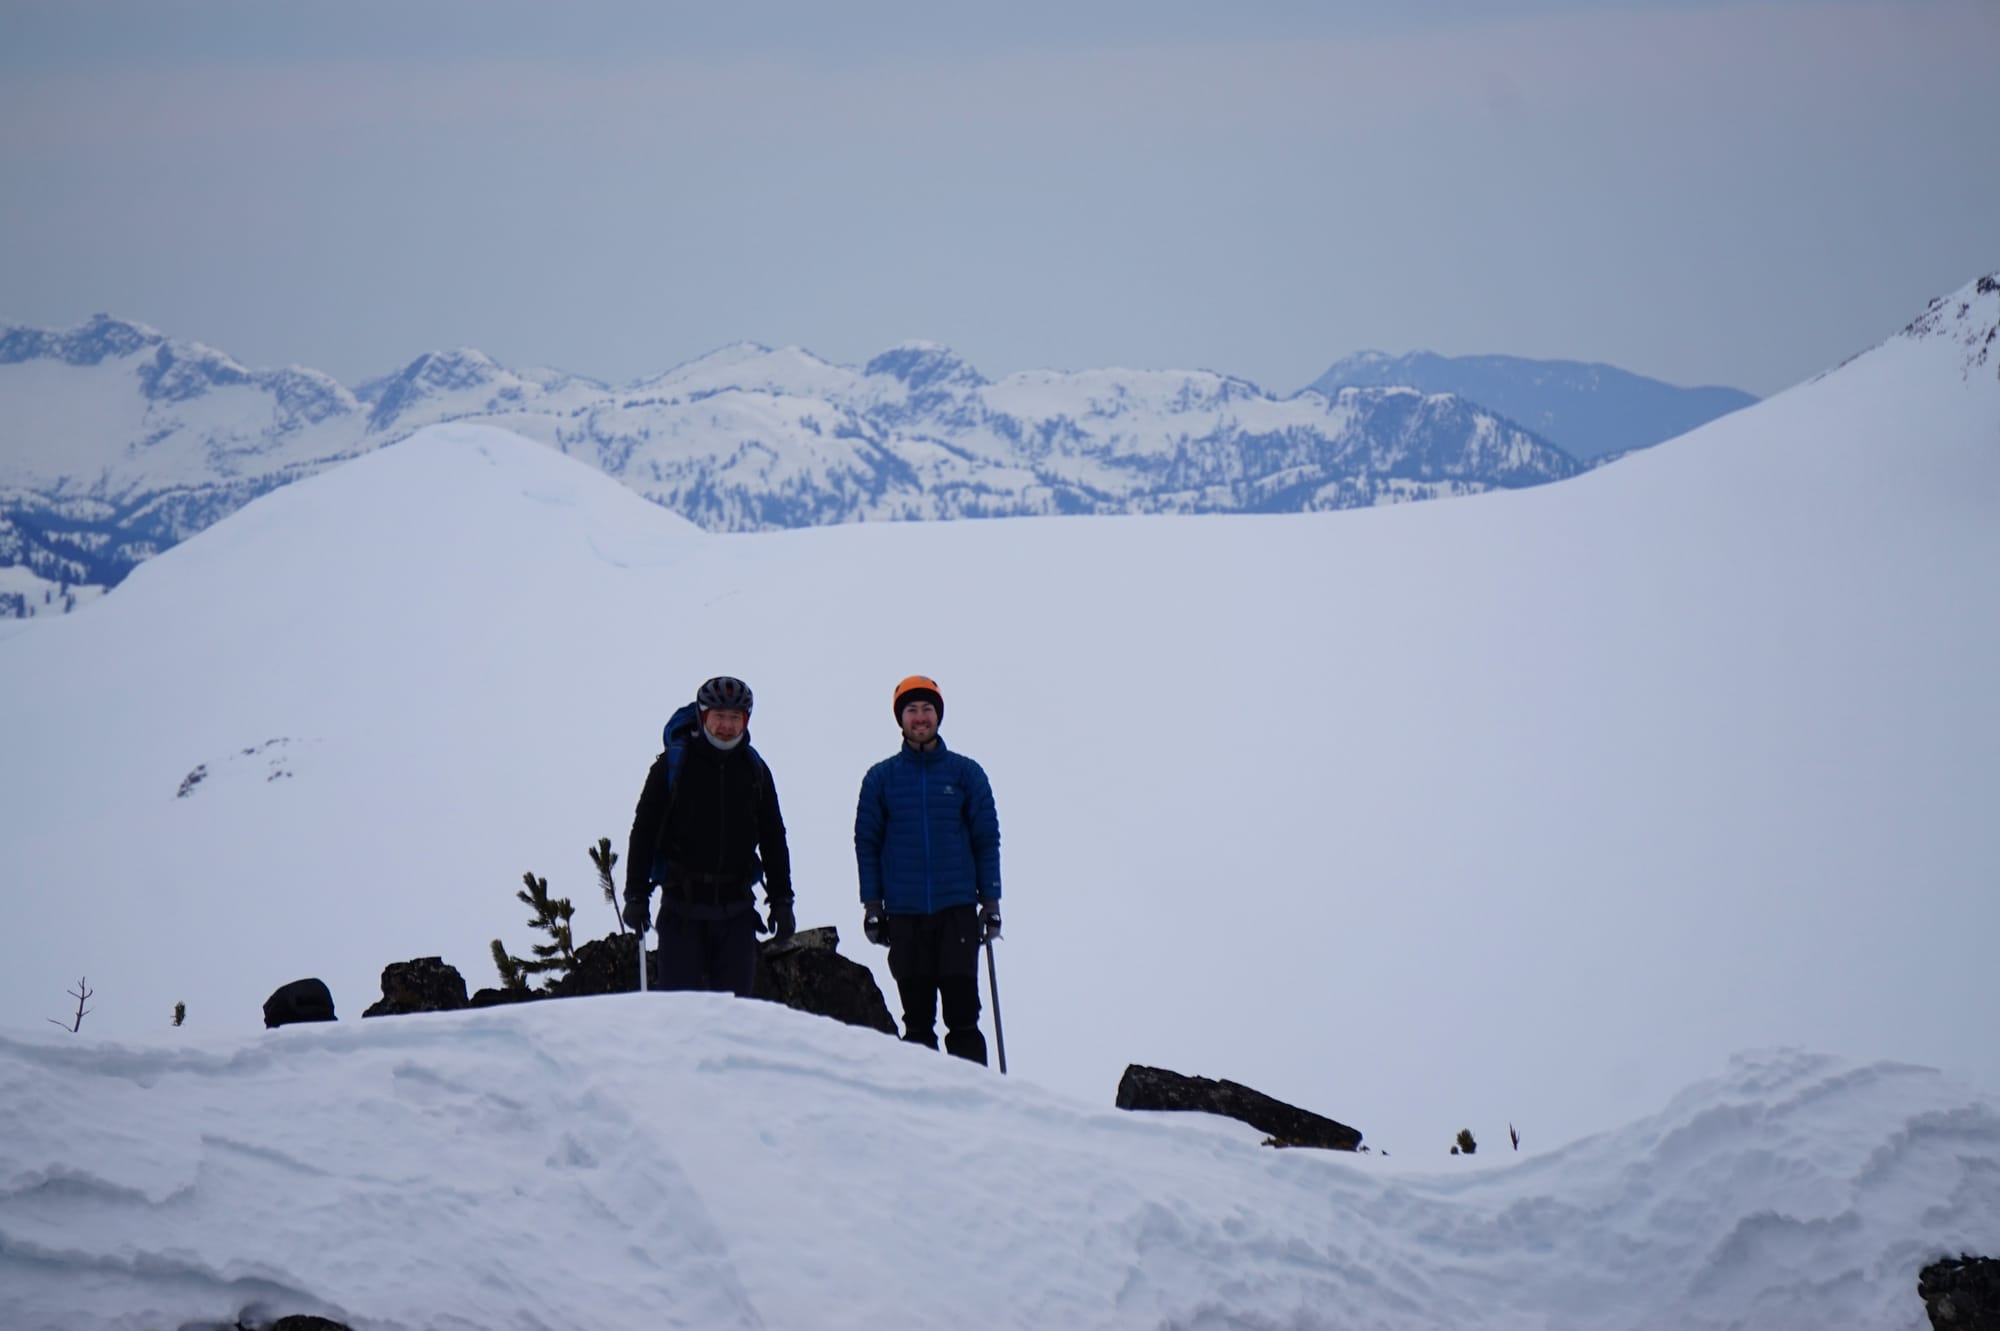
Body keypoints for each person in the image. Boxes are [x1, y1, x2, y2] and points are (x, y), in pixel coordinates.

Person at [854, 674, 1002, 1064]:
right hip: (904, 915)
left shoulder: (966, 773)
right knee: (917, 1022)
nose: (920, 717)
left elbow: (986, 838)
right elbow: (867, 843)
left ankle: (975, 1096)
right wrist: (872, 906)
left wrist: (990, 901)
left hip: (957, 911)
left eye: (927, 709)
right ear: (900, 719)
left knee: (963, 1018)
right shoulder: (880, 778)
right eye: (911, 710)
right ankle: (922, 1099)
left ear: (939, 715)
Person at [623, 675, 795, 996]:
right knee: (679, 1013)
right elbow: (643, 831)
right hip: (681, 910)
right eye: (719, 716)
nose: (727, 726)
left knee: (733, 1013)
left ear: (746, 720)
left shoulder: (755, 770)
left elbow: (773, 837)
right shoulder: (672, 766)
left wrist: (782, 900)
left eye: (735, 717)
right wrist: (636, 894)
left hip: (737, 913)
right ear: (703, 716)